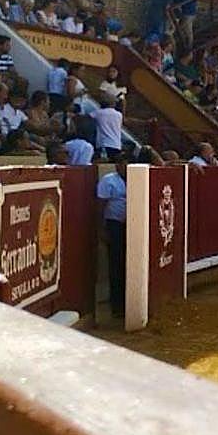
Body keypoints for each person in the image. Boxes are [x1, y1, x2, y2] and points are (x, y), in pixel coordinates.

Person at [96, 160, 127, 322]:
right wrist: (101, 229)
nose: (124, 166)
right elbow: (100, 206)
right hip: (114, 226)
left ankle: (127, 303)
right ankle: (117, 306)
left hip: (134, 225)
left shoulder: (139, 177)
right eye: (122, 164)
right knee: (116, 265)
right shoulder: (109, 180)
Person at [91, 96, 123, 161]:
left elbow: (86, 117)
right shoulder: (119, 115)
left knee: (104, 166)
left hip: (104, 144)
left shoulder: (99, 113)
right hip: (116, 145)